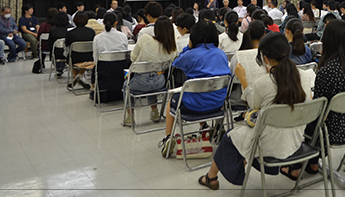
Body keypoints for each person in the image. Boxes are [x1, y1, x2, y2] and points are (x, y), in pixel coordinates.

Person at [197, 32, 310, 189]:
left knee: (231, 137)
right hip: (295, 140)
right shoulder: (304, 77)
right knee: (246, 140)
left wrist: (243, 80)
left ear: (265, 58)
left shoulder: (264, 83)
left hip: (268, 145)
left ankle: (211, 177)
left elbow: (253, 104)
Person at [303, 19, 345, 171]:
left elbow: (318, 109)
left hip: (334, 132)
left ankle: (311, 163)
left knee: (305, 121)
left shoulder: (326, 71)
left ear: (327, 41)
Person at [159, 20, 231, 157]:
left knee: (174, 99)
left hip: (193, 107)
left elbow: (176, 63)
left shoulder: (191, 55)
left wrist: (188, 47)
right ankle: (213, 126)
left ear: (193, 37)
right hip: (218, 105)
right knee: (207, 92)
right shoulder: (221, 54)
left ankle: (168, 137)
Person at [124, 16, 178, 125]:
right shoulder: (172, 47)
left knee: (126, 86)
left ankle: (130, 116)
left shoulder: (145, 38)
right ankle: (154, 111)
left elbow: (133, 59)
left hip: (140, 82)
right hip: (160, 83)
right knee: (152, 75)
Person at [92, 12, 129, 93]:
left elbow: (95, 59)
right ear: (116, 22)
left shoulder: (97, 38)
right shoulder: (123, 36)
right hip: (120, 70)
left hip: (104, 70)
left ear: (103, 23)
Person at [65, 11, 95, 90]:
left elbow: (67, 46)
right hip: (89, 58)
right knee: (85, 59)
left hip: (75, 58)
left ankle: (77, 79)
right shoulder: (91, 32)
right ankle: (79, 77)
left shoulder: (70, 33)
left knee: (70, 58)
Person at [48, 11, 70, 77]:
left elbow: (49, 44)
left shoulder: (53, 30)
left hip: (57, 55)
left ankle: (59, 70)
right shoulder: (71, 28)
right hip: (70, 54)